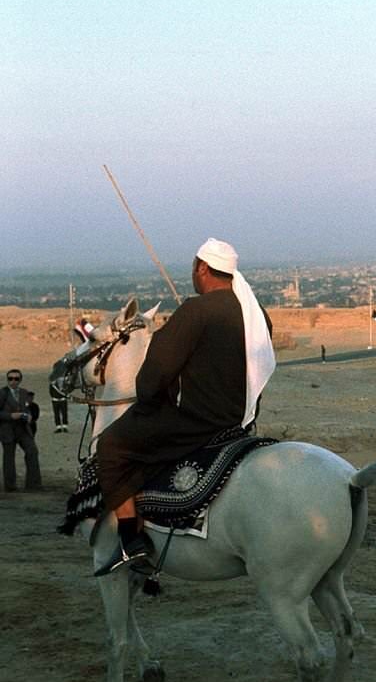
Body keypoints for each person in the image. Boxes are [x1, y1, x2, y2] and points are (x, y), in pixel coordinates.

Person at [93, 238, 275, 576]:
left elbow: (154, 375)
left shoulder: (195, 310)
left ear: (202, 268)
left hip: (196, 421)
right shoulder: (255, 313)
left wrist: (149, 400)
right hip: (238, 421)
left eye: (194, 266)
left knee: (111, 445)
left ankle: (131, 539)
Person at [1, 369, 43, 491]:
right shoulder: (2, 393)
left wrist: (28, 415)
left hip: (23, 429)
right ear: (7, 380)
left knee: (32, 451)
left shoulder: (24, 393)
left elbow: (28, 408)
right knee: (9, 458)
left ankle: (33, 484)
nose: (13, 381)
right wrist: (10, 416)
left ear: (20, 380)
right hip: (7, 429)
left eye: (16, 379)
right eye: (10, 378)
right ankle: (10, 486)